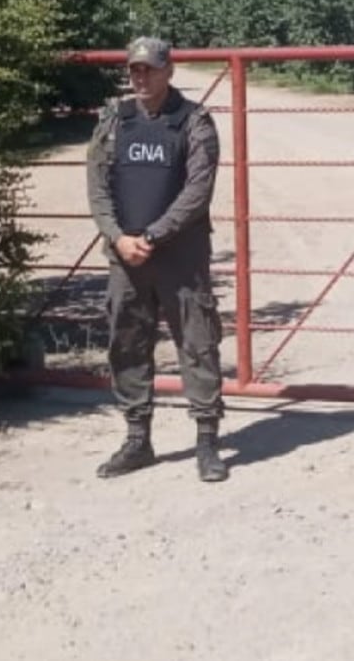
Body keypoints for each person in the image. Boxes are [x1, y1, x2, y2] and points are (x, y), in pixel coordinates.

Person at [85, 36, 229, 482]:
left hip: (179, 257)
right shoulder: (114, 121)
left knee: (197, 344)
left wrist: (152, 234)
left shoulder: (194, 122)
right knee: (126, 344)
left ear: (169, 71)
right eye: (134, 70)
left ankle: (207, 443)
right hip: (127, 257)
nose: (141, 77)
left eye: (149, 69)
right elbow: (98, 186)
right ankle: (137, 440)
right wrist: (117, 236)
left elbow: (197, 192)